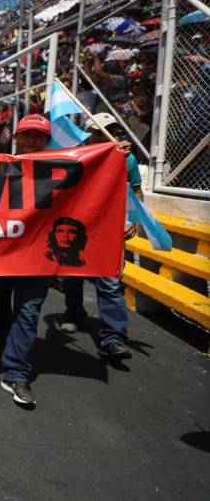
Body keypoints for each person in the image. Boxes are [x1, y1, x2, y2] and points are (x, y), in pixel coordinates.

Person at [0, 114, 55, 405]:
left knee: (27, 312)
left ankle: (16, 373)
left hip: (38, 257)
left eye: (38, 136)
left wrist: (115, 155)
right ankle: (2, 335)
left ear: (47, 141)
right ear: (15, 138)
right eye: (26, 135)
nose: (31, 140)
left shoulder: (63, 168)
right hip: (4, 254)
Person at [59, 113, 140, 359]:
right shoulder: (75, 156)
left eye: (111, 131)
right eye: (100, 132)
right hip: (77, 227)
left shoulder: (127, 158)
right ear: (88, 134)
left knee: (110, 281)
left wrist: (132, 220)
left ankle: (113, 337)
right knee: (71, 276)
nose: (107, 136)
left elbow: (136, 191)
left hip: (109, 228)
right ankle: (74, 314)